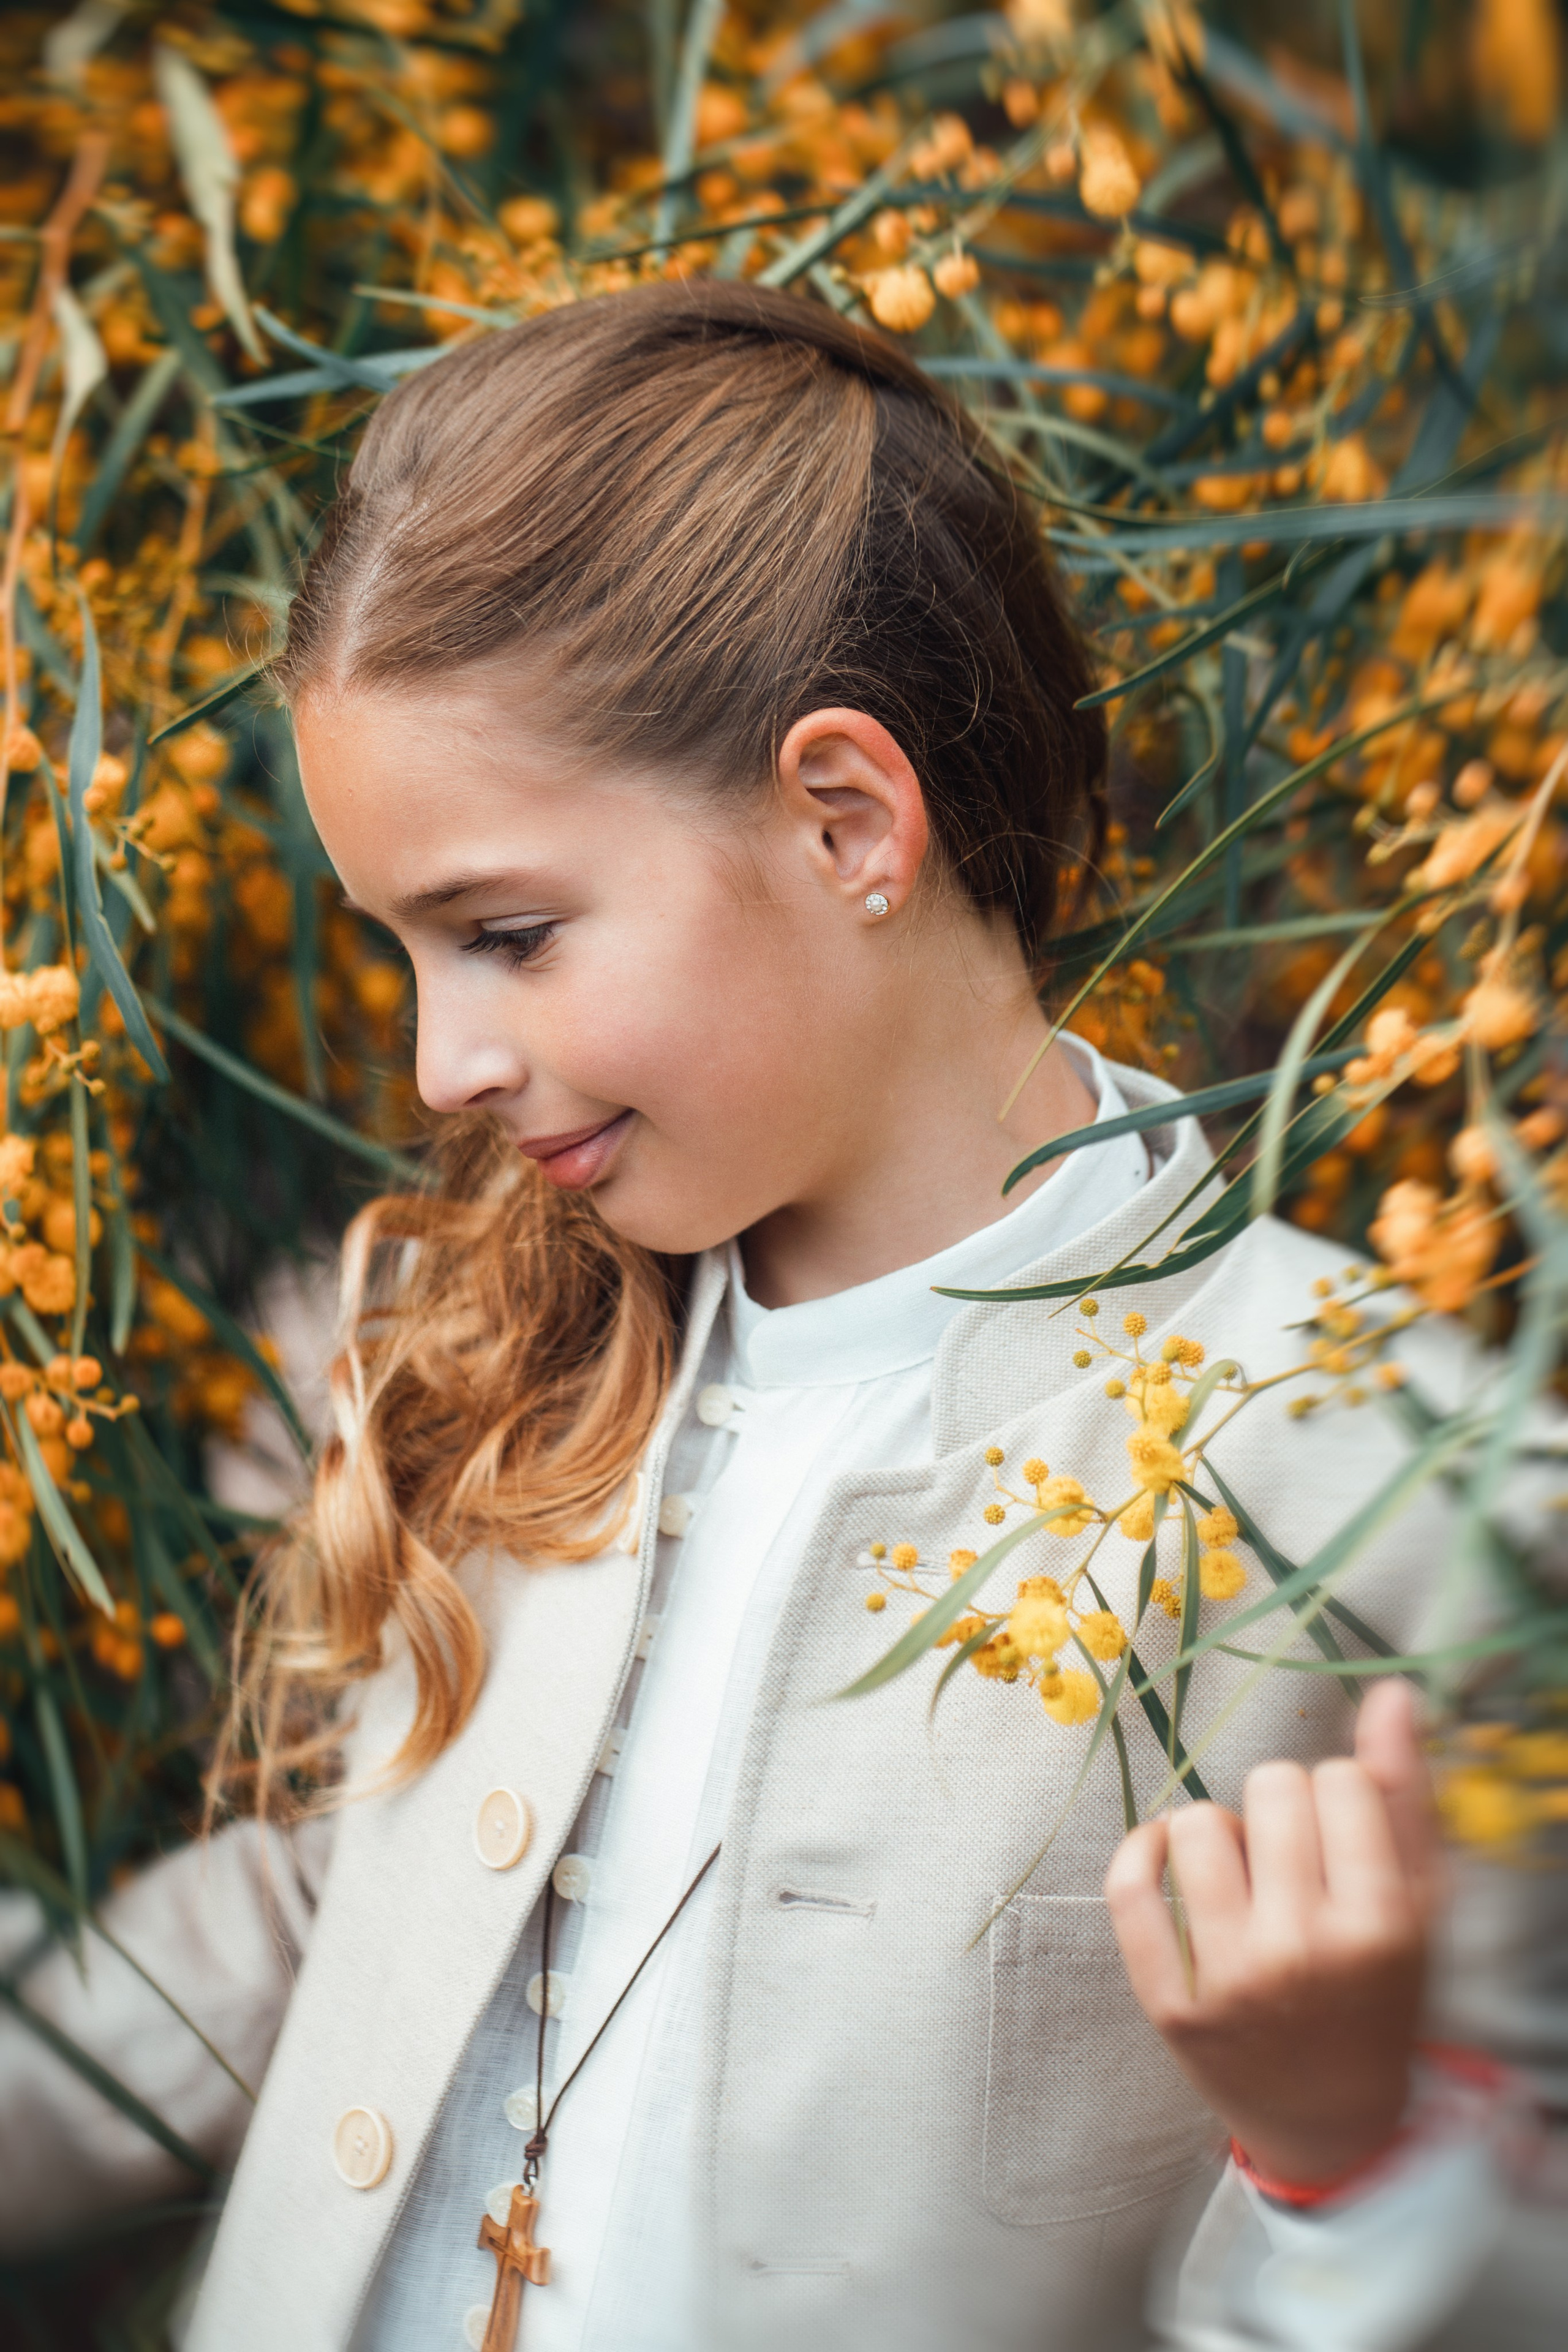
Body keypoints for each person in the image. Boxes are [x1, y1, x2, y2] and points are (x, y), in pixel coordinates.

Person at [0, 284, 1517, 2352]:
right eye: (409, 956)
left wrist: (1360, 2177)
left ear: (845, 822)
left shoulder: (1369, 1477)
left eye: (508, 935)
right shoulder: (484, 1341)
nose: (445, 1062)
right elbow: (325, 1922)